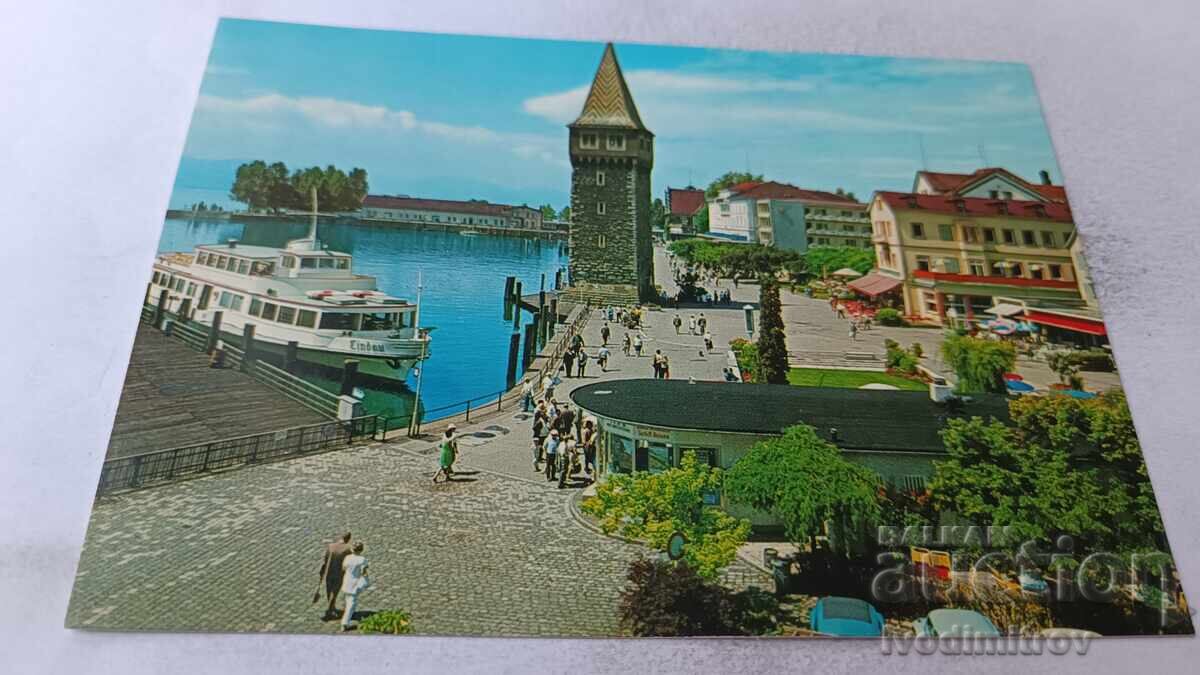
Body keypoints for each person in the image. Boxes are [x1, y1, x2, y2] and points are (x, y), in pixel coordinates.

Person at [317, 532, 353, 620]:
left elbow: (325, 559)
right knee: (335, 591)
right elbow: (348, 561)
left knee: (329, 589)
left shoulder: (331, 546)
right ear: (348, 539)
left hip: (329, 571)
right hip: (339, 572)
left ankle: (331, 607)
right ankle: (331, 608)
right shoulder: (347, 548)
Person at [339, 542, 369, 631]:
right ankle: (344, 623)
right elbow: (364, 572)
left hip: (346, 580)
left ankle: (349, 614)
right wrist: (366, 580)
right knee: (351, 604)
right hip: (354, 583)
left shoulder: (347, 557)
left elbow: (343, 568)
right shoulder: (362, 559)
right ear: (361, 550)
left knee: (348, 599)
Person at [532, 401, 548, 470]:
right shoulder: (539, 420)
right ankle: (538, 458)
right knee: (539, 447)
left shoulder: (543, 418)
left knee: (541, 446)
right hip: (540, 435)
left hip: (543, 434)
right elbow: (534, 427)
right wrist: (538, 432)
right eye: (544, 411)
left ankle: (540, 457)